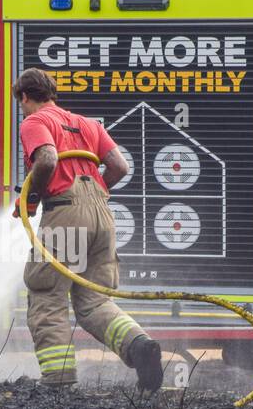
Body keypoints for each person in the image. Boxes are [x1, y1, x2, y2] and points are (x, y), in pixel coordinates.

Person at [12, 68, 164, 391]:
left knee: (47, 295)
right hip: (102, 217)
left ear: (25, 97)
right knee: (94, 301)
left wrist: (31, 202)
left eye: (21, 103)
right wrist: (94, 194)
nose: (22, 109)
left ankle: (59, 380)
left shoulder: (34, 122)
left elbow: (48, 160)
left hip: (65, 214)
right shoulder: (88, 124)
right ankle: (140, 347)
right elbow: (120, 167)